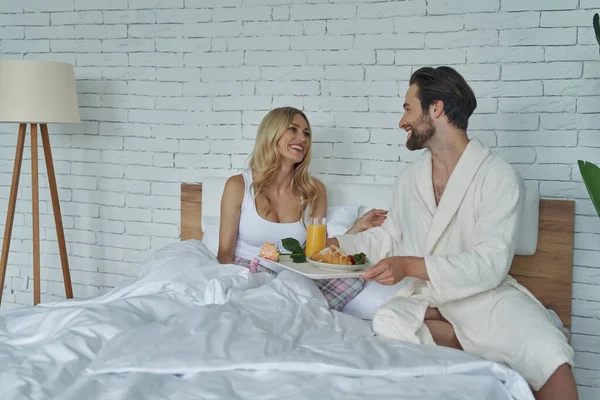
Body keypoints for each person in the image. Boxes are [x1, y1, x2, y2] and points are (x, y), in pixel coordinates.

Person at [328, 67, 577, 400]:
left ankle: (487, 339)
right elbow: (388, 238)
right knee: (388, 321)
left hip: (483, 295)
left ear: (437, 109)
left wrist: (411, 266)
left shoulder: (498, 177)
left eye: (407, 108)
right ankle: (489, 349)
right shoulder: (408, 181)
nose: (402, 122)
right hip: (426, 299)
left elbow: (489, 264)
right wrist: (337, 246)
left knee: (549, 352)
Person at [217, 106, 386, 310]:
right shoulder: (238, 185)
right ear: (272, 133)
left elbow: (317, 250)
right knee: (275, 297)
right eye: (293, 129)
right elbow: (225, 252)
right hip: (250, 275)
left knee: (353, 280)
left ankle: (285, 309)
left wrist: (358, 227)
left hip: (293, 277)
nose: (303, 138)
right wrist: (225, 286)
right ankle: (287, 308)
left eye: (306, 133)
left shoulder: (315, 190)